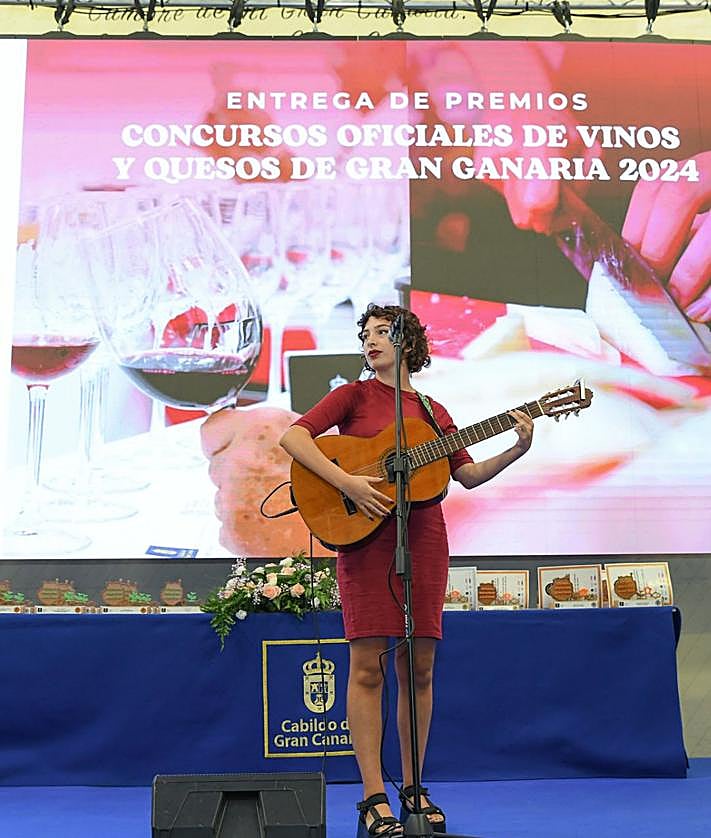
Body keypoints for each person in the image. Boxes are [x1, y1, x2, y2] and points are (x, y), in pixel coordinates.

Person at [278, 303, 534, 837]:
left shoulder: (435, 414)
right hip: (366, 538)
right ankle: (374, 796)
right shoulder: (353, 395)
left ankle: (414, 786)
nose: (371, 341)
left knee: (419, 669)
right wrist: (347, 482)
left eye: (382, 333)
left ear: (408, 344)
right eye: (365, 333)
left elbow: (469, 474)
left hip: (424, 537)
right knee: (367, 665)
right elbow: (295, 439)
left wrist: (517, 446)